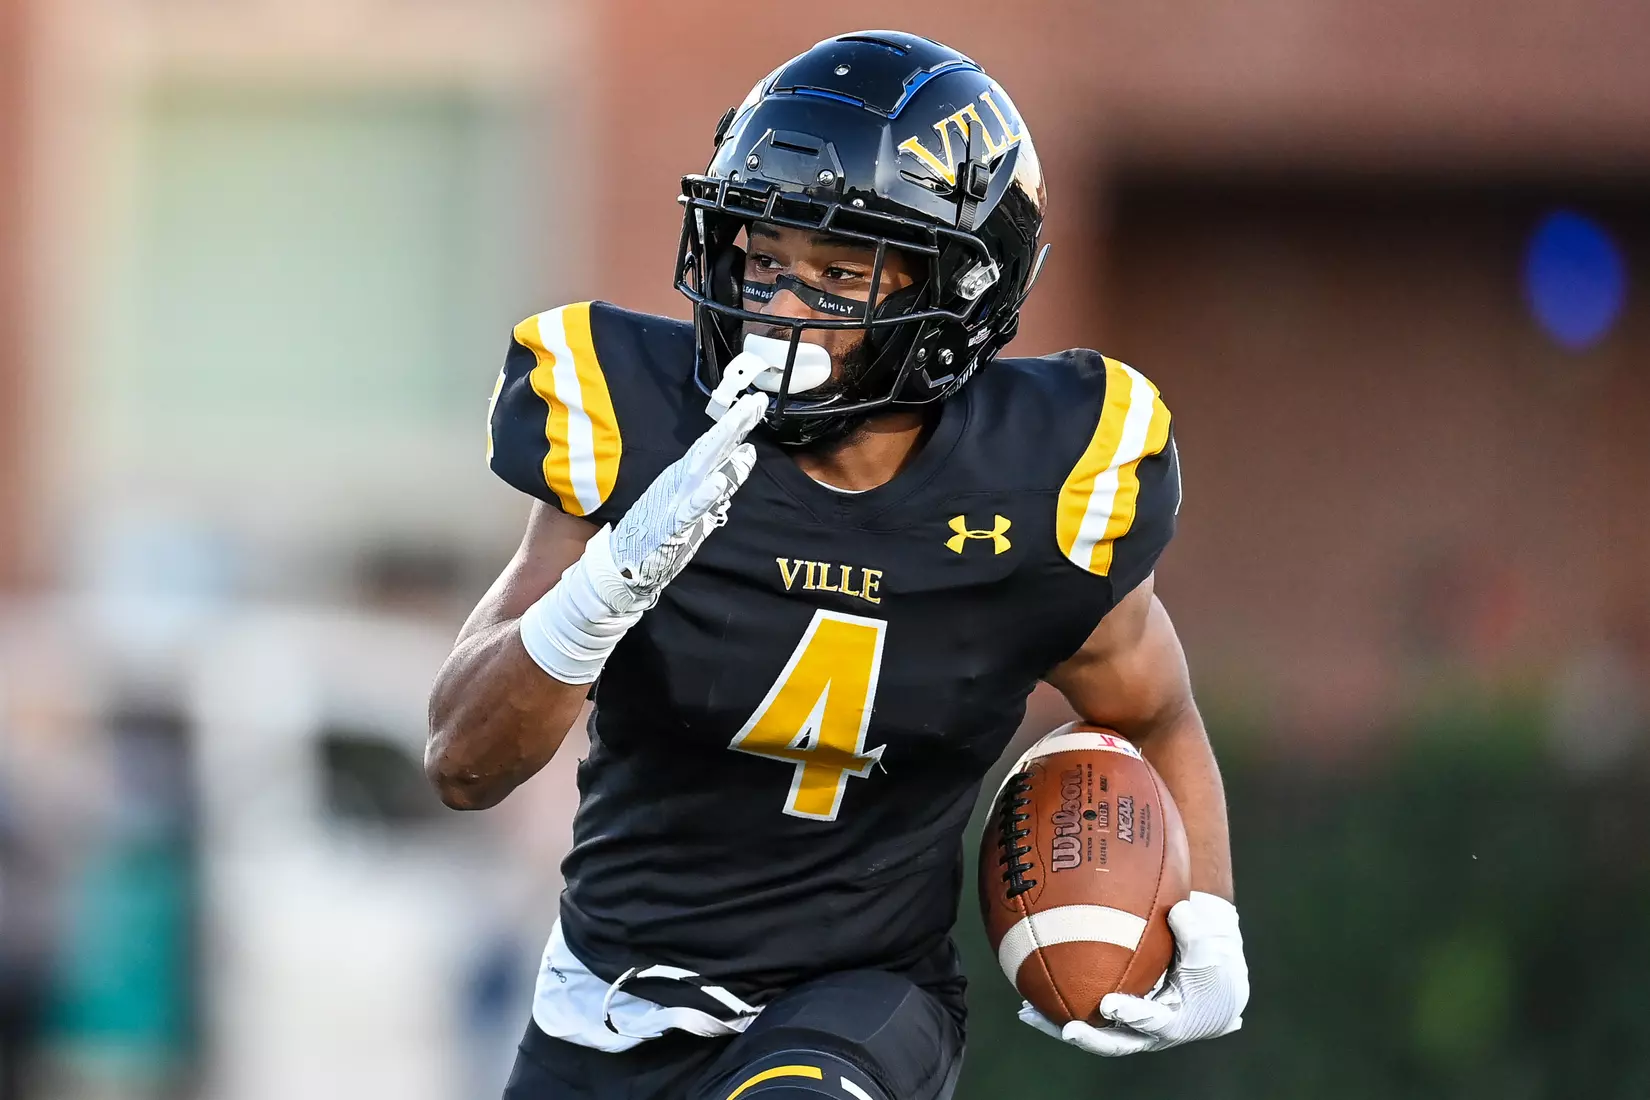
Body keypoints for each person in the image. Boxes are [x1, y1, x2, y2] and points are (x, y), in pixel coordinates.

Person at [427, 30, 1247, 1100]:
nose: (779, 305)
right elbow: (462, 763)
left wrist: (1212, 918)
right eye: (765, 259)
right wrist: (602, 590)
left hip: (860, 1000)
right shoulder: (640, 426)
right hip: (605, 1004)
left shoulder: (1043, 483)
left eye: (838, 273)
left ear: (953, 295)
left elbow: (1155, 710)